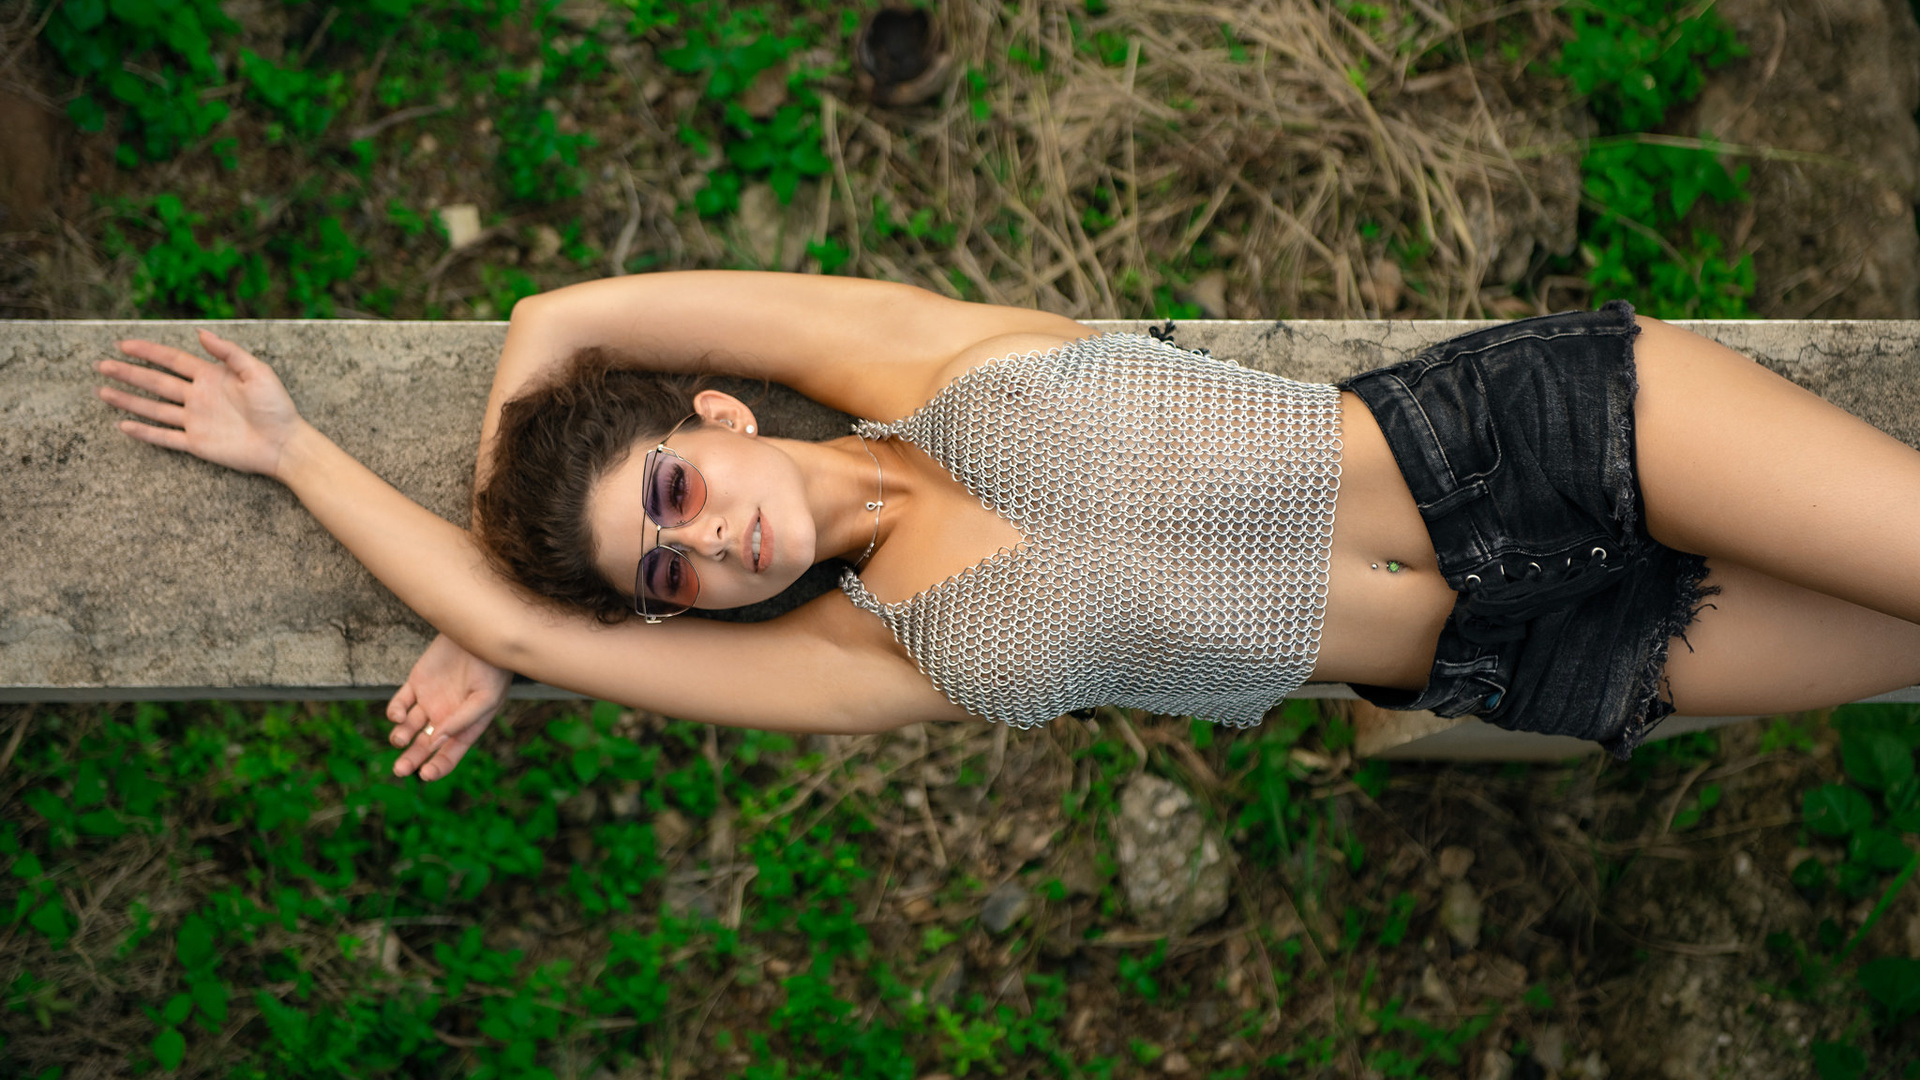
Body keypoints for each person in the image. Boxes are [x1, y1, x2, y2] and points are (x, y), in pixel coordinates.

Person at [95, 272, 1920, 782]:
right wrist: (301, 459)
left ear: (713, 413)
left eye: (671, 488)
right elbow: (561, 642)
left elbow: (557, 320)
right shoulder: (865, 659)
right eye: (667, 568)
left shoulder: (912, 357)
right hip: (1522, 653)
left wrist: (506, 555)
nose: (704, 538)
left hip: (1538, 446)